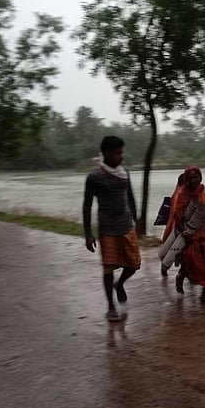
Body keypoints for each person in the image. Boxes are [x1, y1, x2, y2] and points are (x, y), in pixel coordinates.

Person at [83, 135, 141, 322]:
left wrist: (137, 220)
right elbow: (87, 206)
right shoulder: (94, 177)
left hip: (126, 225)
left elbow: (130, 197)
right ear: (106, 154)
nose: (121, 156)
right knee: (108, 268)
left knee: (134, 264)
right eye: (117, 153)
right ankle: (111, 306)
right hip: (107, 229)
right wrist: (88, 234)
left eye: (121, 152)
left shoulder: (125, 173)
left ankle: (120, 283)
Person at [160, 166, 205, 305]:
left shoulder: (202, 190)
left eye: (196, 177)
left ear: (200, 178)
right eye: (190, 178)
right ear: (186, 180)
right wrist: (185, 233)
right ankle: (181, 276)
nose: (194, 180)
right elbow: (177, 217)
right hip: (189, 235)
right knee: (190, 261)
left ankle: (204, 295)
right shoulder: (182, 195)